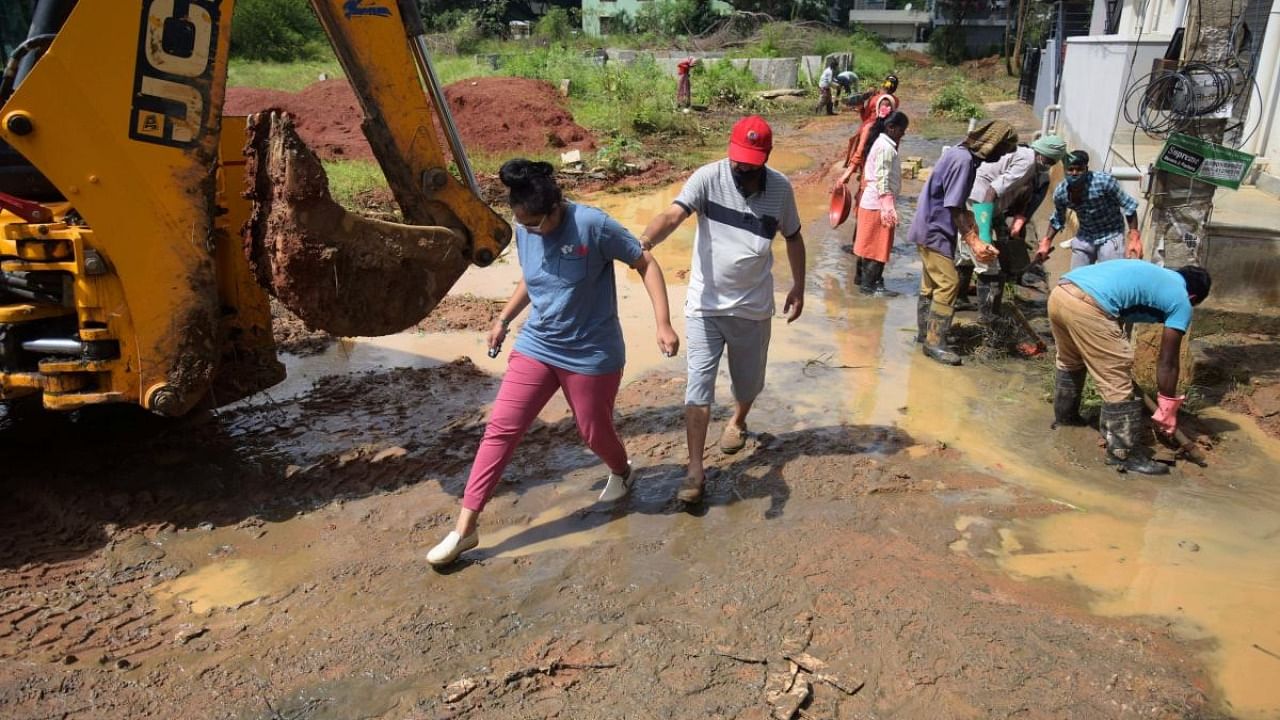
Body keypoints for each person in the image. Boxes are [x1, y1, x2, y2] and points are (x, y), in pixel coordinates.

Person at [426, 159, 680, 566]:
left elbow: (644, 263)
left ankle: (622, 470)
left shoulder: (593, 225)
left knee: (593, 431)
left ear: (556, 207)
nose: (529, 232)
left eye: (535, 225)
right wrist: (503, 319)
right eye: (522, 226)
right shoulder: (528, 228)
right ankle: (465, 528)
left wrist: (663, 324)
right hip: (538, 344)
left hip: (590, 352)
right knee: (501, 428)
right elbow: (532, 275)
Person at [638, 116, 805, 504]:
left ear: (766, 157)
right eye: (738, 160)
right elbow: (672, 215)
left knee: (748, 383)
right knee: (698, 384)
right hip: (704, 305)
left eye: (751, 162)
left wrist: (798, 285)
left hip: (752, 308)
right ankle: (695, 470)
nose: (742, 168)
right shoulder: (707, 178)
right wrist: (644, 241)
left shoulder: (780, 190)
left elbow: (794, 237)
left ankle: (738, 419)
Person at [1049, 260, 1211, 475]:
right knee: (1118, 384)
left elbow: (1119, 309)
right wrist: (1168, 408)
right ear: (1193, 298)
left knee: (1071, 361)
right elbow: (1168, 361)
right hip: (1090, 306)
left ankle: (1065, 419)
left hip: (1061, 293)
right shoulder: (1182, 300)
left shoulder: (1154, 276)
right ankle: (1123, 456)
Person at [909, 119, 1019, 366]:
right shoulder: (964, 161)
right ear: (993, 144)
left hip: (928, 225)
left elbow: (958, 206)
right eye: (1003, 150)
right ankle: (935, 342)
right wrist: (974, 241)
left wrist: (976, 233)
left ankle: (924, 335)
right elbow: (954, 207)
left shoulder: (960, 154)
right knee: (949, 284)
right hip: (935, 229)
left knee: (931, 284)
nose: (1003, 156)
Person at [954, 134, 1067, 335]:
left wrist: (1003, 228)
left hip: (978, 201)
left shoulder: (1030, 165)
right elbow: (991, 191)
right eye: (1049, 161)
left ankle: (960, 299)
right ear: (1043, 155)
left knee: (966, 255)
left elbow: (1014, 200)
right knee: (989, 264)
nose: (1048, 166)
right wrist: (986, 235)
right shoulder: (1027, 162)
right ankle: (989, 320)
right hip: (980, 201)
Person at [1033, 150, 1142, 269]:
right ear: (1064, 170)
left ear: (1086, 169)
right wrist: (1046, 242)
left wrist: (1134, 237)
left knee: (1110, 276)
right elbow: (1058, 218)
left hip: (1111, 235)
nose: (1074, 173)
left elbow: (1129, 205)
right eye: (1070, 169)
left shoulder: (1104, 182)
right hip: (1085, 235)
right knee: (1076, 279)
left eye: (1079, 169)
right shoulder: (1061, 193)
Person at [853, 110, 910, 297]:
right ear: (891, 128)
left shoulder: (880, 142)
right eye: (902, 130)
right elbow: (883, 177)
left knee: (867, 244)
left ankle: (862, 280)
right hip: (878, 203)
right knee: (877, 246)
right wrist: (887, 206)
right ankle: (870, 287)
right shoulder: (886, 147)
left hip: (870, 201)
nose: (903, 134)